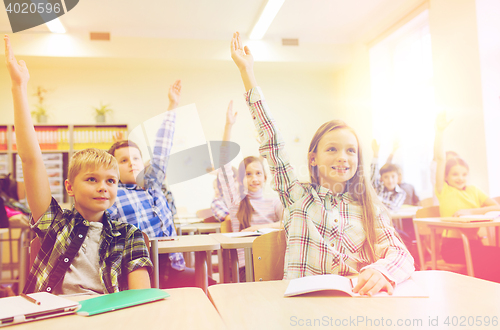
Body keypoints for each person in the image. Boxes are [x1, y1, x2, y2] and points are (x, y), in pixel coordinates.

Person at [230, 32, 414, 295]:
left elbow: (400, 253)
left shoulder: (368, 206)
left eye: (351, 150)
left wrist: (381, 270)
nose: (343, 156)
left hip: (353, 307)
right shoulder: (297, 197)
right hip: (300, 308)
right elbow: (272, 141)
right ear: (313, 158)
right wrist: (248, 73)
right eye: (332, 149)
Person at [4, 35, 152, 294]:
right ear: (70, 187)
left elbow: (141, 297)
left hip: (107, 318)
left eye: (110, 181)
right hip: (53, 317)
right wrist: (19, 87)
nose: (103, 187)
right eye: (91, 179)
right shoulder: (56, 223)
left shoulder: (130, 235)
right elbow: (30, 160)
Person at [107, 82, 214, 288]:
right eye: (123, 160)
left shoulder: (152, 183)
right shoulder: (113, 194)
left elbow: (162, 149)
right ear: (113, 167)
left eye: (136, 158)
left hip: (170, 266)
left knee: (210, 285)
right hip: (136, 273)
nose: (132, 163)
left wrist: (172, 107)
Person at [217, 100, 283, 281]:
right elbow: (223, 165)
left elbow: (289, 223)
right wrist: (228, 126)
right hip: (249, 268)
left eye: (258, 173)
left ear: (264, 177)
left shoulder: (274, 202)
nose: (254, 178)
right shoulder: (236, 202)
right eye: (248, 174)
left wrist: (258, 228)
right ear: (239, 178)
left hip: (276, 265)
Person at [434, 112, 500, 282]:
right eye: (455, 174)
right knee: (491, 260)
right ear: (446, 177)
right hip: (453, 247)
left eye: (464, 174)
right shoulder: (444, 191)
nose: (460, 178)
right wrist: (439, 132)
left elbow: (497, 207)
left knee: (495, 256)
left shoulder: (473, 190)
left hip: (475, 243)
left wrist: (472, 211)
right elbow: (440, 160)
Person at [371, 140, 406, 211]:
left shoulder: (401, 193)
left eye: (393, 176)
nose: (390, 180)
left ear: (398, 178)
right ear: (381, 179)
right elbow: (374, 174)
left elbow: (394, 207)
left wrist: (375, 198)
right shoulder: (379, 187)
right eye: (386, 177)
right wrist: (376, 155)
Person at [384, 141, 420, 206]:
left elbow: (417, 202)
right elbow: (386, 168)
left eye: (400, 174)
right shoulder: (391, 187)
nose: (398, 177)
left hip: (407, 213)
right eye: (395, 175)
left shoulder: (410, 187)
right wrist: (393, 152)